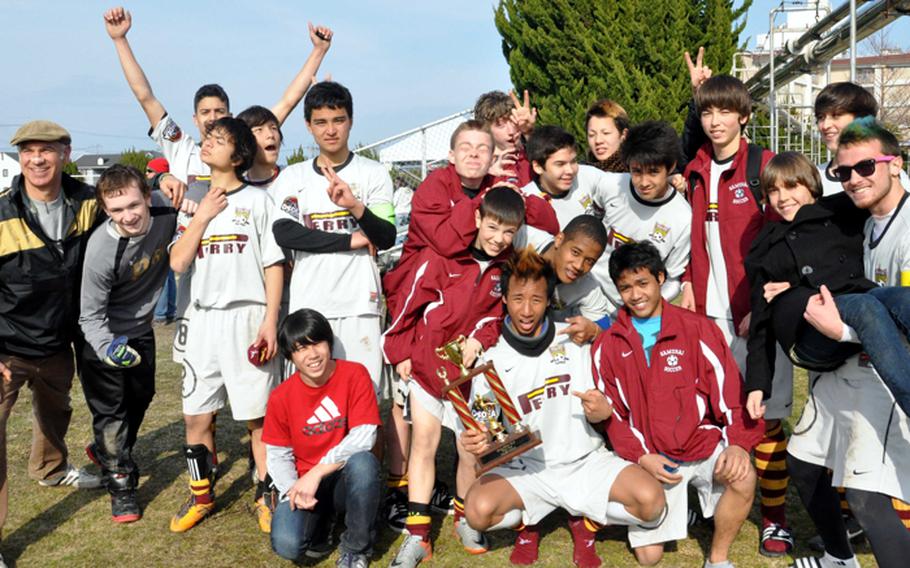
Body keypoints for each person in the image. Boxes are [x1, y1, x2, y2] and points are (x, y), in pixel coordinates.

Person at [460, 247, 668, 568]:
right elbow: (485, 427)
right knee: (477, 511)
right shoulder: (492, 357)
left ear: (549, 299)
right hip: (528, 469)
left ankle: (586, 523)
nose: (527, 310)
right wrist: (480, 441)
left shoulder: (574, 337)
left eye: (537, 300)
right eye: (517, 299)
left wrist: (603, 408)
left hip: (585, 462)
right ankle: (526, 525)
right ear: (504, 299)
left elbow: (621, 346)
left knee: (651, 503)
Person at [784, 118, 910, 568]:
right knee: (803, 463)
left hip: (883, 371)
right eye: (844, 172)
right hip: (843, 363)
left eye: (867, 167)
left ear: (895, 164)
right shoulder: (860, 218)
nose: (855, 178)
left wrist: (840, 330)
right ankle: (840, 558)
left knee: (866, 495)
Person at [678, 74, 794, 557]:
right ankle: (704, 502)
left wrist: (762, 306)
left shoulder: (763, 166)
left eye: (725, 111)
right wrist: (687, 280)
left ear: (744, 116)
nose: (716, 121)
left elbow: (785, 237)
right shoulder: (695, 170)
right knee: (713, 415)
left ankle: (775, 520)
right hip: (710, 319)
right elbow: (691, 238)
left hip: (757, 318)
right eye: (707, 112)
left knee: (765, 417)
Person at [595, 241, 763, 567]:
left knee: (743, 476)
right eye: (625, 288)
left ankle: (717, 558)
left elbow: (729, 390)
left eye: (642, 283)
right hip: (652, 458)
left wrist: (739, 444)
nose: (636, 294)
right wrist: (642, 457)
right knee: (649, 558)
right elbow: (613, 416)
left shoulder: (697, 328)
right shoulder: (607, 344)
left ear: (660, 278)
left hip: (700, 444)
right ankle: (674, 508)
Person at [383, 188, 525, 566]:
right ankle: (417, 534)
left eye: (509, 232)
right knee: (424, 444)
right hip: (428, 370)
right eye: (493, 227)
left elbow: (497, 318)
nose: (499, 238)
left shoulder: (505, 268)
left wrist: (478, 340)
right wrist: (400, 354)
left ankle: (464, 518)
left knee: (469, 450)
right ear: (477, 220)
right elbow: (405, 307)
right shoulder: (441, 258)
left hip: (471, 377)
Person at [168, 117, 284, 534]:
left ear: (237, 156)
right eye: (206, 138)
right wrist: (202, 217)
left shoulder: (258, 202)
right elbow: (178, 262)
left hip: (247, 318)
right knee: (196, 415)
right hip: (202, 321)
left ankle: (266, 492)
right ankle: (202, 495)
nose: (206, 143)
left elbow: (274, 265)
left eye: (217, 140)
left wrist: (270, 322)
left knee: (258, 418)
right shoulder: (198, 200)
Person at [0, 121, 105, 564]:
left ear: (66, 153)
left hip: (58, 343)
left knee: (55, 411)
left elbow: (133, 205)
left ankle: (51, 469)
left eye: (46, 150)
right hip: (6, 347)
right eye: (28, 151)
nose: (36, 159)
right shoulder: (2, 213)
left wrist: (172, 183)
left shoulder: (86, 202)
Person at [745, 151, 910, 418]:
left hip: (859, 298)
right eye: (773, 191)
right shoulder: (768, 245)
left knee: (903, 299)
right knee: (865, 305)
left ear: (811, 184)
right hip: (807, 337)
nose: (783, 198)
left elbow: (882, 194)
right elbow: (761, 325)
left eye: (791, 186)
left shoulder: (842, 209)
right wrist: (757, 386)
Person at [103, 6, 332, 184]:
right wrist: (120, 40)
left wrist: (318, 51)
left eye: (219, 111)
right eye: (205, 112)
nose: (212, 117)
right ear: (195, 118)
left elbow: (288, 101)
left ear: (230, 115)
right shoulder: (181, 147)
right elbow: (145, 96)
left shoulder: (244, 144)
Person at [272, 81, 396, 395]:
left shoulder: (373, 173)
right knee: (313, 400)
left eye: (338, 120)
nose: (330, 130)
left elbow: (386, 235)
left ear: (350, 121)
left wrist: (354, 205)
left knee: (364, 397)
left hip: (359, 305)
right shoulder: (293, 176)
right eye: (321, 122)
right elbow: (285, 232)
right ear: (308, 126)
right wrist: (349, 240)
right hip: (310, 304)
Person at [78, 164, 177, 523]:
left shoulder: (168, 208)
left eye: (134, 205)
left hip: (141, 329)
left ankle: (106, 450)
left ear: (147, 198)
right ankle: (121, 485)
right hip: (102, 335)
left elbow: (198, 190)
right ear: (105, 210)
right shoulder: (101, 249)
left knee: (142, 396)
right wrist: (108, 349)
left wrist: (167, 179)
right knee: (112, 412)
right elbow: (89, 316)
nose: (128, 216)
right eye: (117, 210)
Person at [264, 309, 381, 567]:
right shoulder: (281, 397)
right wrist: (293, 490)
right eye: (300, 349)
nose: (312, 355)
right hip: (305, 485)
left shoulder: (355, 374)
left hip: (342, 477)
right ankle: (322, 524)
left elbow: (364, 437)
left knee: (364, 463)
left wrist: (317, 472)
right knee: (287, 543)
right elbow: (277, 454)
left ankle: (355, 548)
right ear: (291, 357)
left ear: (329, 342)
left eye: (317, 343)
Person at [588, 120, 692, 313]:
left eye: (653, 172)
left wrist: (642, 303)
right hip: (591, 295)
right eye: (636, 171)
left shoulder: (683, 218)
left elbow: (672, 280)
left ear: (670, 167)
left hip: (633, 313)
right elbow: (590, 223)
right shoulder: (610, 185)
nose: (644, 182)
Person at [515, 215, 612, 344]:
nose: (579, 266)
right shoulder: (523, 238)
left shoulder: (588, 287)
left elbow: (605, 332)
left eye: (589, 261)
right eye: (575, 252)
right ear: (559, 240)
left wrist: (594, 331)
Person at [523, 125, 619, 228]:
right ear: (538, 167)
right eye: (560, 164)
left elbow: (621, 184)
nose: (570, 170)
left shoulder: (587, 175)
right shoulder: (527, 202)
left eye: (573, 161)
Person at [473, 90, 537, 184]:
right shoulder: (478, 170)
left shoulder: (530, 155)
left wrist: (528, 132)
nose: (511, 131)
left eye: (512, 121)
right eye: (500, 125)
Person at [146, 157, 178, 324]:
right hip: (171, 238)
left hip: (160, 238)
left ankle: (160, 314)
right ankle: (171, 310)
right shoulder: (174, 192)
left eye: (150, 171)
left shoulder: (158, 194)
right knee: (170, 276)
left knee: (162, 277)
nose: (147, 174)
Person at [584, 99, 630, 173]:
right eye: (592, 135)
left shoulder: (634, 172)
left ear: (624, 134)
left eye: (606, 133)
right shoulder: (581, 173)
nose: (598, 141)